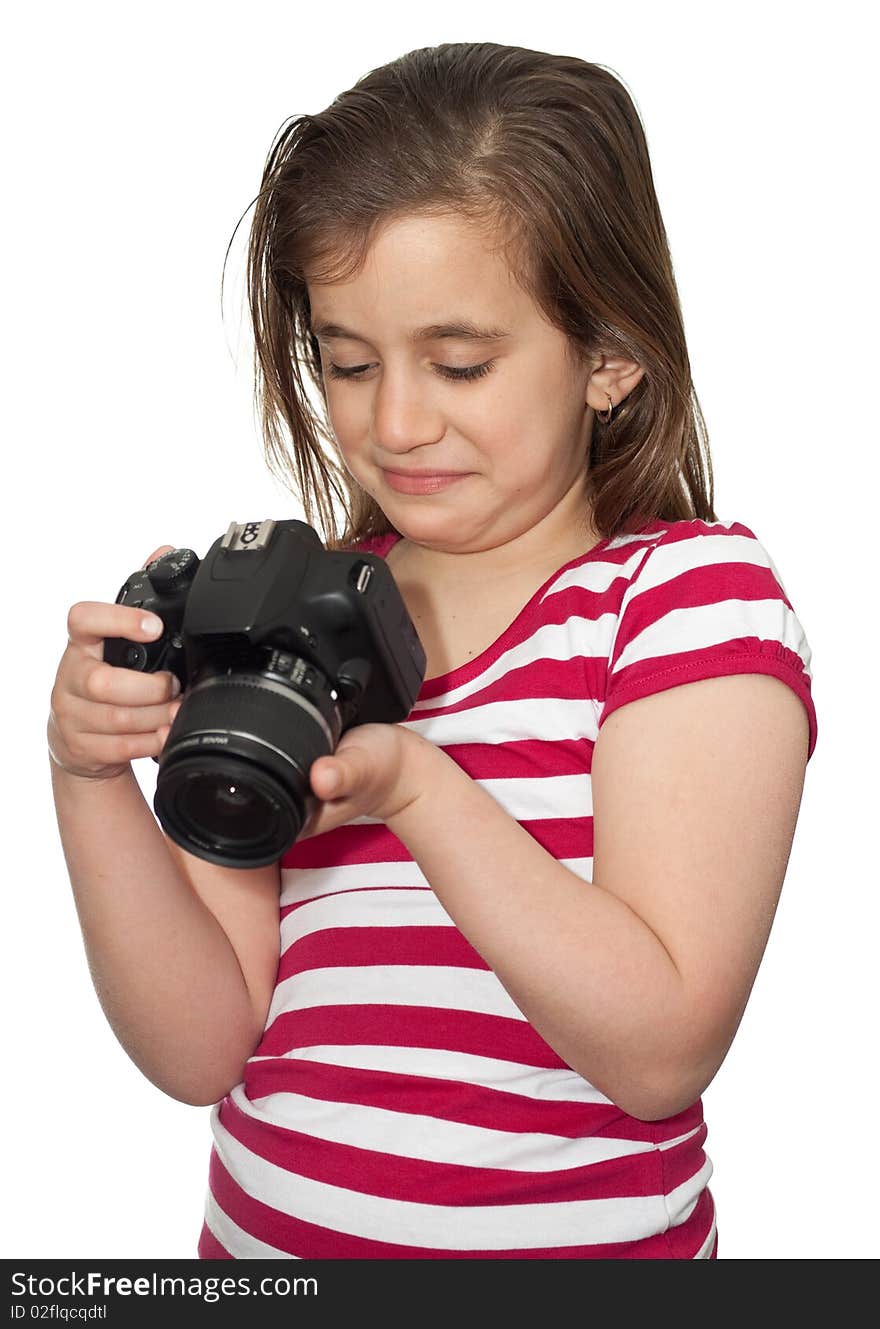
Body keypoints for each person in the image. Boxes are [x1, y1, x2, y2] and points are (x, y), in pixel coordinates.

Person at [47, 42, 818, 1260]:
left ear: (609, 356)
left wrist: (415, 785)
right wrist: (90, 780)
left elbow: (659, 1051)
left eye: (458, 363)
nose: (392, 422)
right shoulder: (301, 615)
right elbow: (200, 1050)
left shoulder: (680, 604)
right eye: (346, 363)